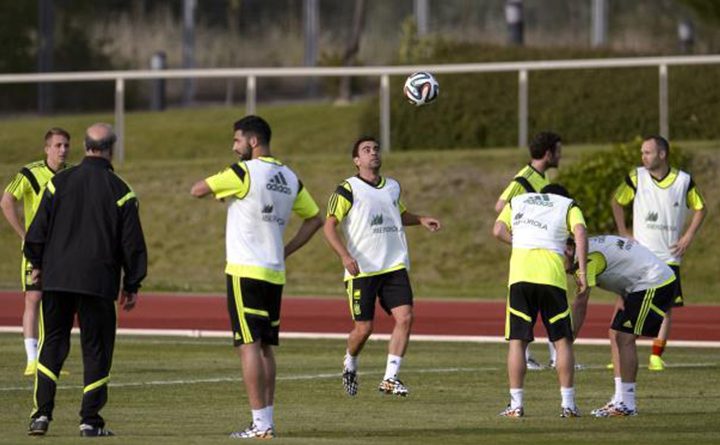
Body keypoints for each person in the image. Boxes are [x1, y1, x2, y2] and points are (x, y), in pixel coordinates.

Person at [191, 115, 322, 439]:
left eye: (236, 141)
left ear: (252, 142)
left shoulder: (242, 171)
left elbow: (197, 190)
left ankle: (260, 425)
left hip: (244, 270)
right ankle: (267, 420)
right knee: (265, 347)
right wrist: (286, 249)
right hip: (274, 273)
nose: (234, 147)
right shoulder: (289, 176)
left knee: (248, 345)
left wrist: (225, 186)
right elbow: (315, 219)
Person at [24, 123, 147, 437]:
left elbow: (37, 230)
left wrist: (37, 263)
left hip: (56, 279)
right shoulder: (122, 191)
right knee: (96, 349)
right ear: (111, 148)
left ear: (84, 146)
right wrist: (132, 284)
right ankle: (90, 420)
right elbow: (132, 245)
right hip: (98, 282)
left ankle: (41, 415)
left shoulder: (58, 183)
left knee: (52, 343)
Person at [323, 137, 441, 398]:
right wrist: (344, 256)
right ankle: (350, 361)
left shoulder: (392, 187)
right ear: (357, 160)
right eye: (366, 150)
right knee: (364, 329)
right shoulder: (347, 189)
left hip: (393, 265)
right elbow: (329, 226)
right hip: (362, 270)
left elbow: (397, 214)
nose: (373, 153)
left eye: (375, 149)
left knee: (405, 317)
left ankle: (390, 378)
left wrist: (420, 219)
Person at [611, 135, 706, 371]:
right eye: (642, 152)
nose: (643, 157)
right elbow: (617, 202)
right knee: (625, 300)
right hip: (639, 254)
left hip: (668, 255)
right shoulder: (637, 176)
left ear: (662, 154)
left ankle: (656, 354)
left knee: (665, 307)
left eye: (648, 152)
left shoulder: (683, 180)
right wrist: (624, 232)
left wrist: (688, 236)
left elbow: (700, 208)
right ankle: (620, 350)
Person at [492, 184, 588, 418]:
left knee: (517, 342)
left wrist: (521, 241)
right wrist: (581, 272)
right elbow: (581, 233)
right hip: (551, 278)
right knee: (562, 341)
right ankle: (568, 405)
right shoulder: (568, 205)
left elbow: (497, 230)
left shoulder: (519, 201)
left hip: (520, 277)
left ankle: (516, 405)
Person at [564, 235, 677, 416]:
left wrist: (568, 340)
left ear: (568, 250)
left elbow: (580, 303)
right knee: (615, 333)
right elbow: (623, 266)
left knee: (625, 337)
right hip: (638, 284)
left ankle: (628, 404)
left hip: (655, 282)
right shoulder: (585, 248)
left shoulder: (584, 260)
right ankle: (619, 399)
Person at [1, 128, 70, 377]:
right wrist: (24, 234)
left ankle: (48, 359)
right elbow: (7, 200)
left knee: (56, 302)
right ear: (47, 148)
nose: (63, 150)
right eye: (58, 145)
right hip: (37, 250)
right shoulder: (30, 173)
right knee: (34, 298)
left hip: (63, 251)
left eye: (66, 145)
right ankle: (32, 360)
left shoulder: (72, 175)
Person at [495, 131, 564, 370]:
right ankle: (526, 358)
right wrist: (521, 238)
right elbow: (501, 206)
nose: (561, 155)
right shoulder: (524, 180)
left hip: (544, 255)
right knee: (527, 308)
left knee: (545, 306)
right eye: (558, 151)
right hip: (528, 255)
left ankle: (555, 357)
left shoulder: (542, 180)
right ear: (548, 153)